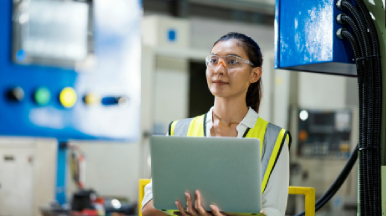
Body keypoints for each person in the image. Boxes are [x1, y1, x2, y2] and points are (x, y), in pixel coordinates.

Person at [141, 32, 291, 216]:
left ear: (254, 74)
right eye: (213, 60)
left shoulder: (274, 139)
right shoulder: (179, 130)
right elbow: (149, 207)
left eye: (232, 61)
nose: (219, 69)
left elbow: (274, 211)